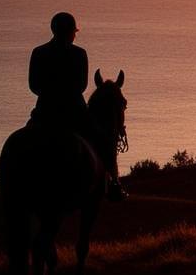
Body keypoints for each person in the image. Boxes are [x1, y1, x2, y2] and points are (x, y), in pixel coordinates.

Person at [29, 11, 126, 201]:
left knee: (27, 135)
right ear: (71, 32)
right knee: (103, 140)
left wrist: (50, 93)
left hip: (44, 111)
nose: (75, 35)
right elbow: (81, 86)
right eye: (74, 31)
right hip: (74, 111)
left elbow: (33, 86)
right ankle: (114, 184)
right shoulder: (79, 54)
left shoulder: (39, 52)